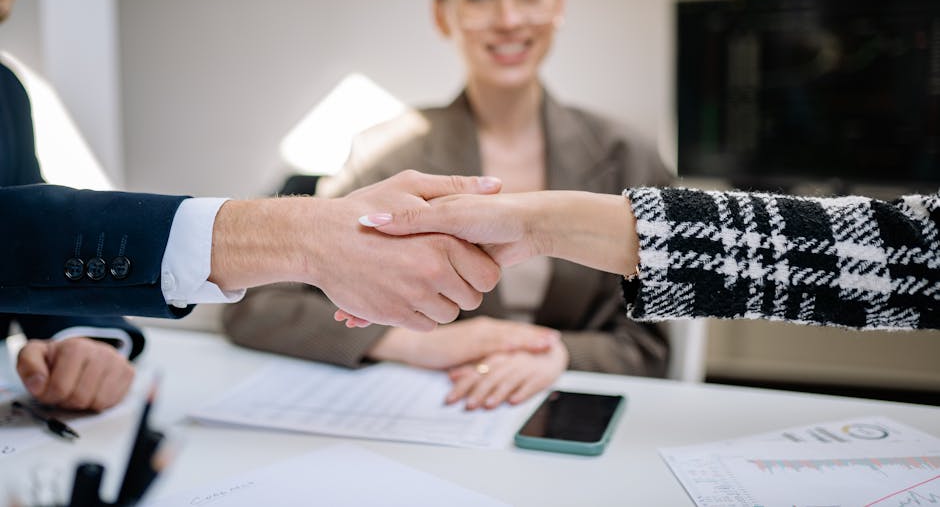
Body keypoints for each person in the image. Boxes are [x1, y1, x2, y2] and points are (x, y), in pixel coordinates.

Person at [2, 0, 500, 387]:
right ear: (442, 13)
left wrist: (84, 340)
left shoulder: (6, 94)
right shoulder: (385, 146)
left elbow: (34, 257)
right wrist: (300, 236)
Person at [223, 0, 672, 410]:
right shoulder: (385, 154)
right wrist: (420, 345)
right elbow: (261, 304)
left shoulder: (628, 155)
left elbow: (651, 346)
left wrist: (558, 354)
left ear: (558, 5)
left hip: (563, 414)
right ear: (443, 15)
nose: (508, 19)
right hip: (429, 411)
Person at [349, 186, 940, 331]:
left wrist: (540, 222)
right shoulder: (391, 147)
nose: (507, 17)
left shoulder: (621, 145)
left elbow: (904, 256)